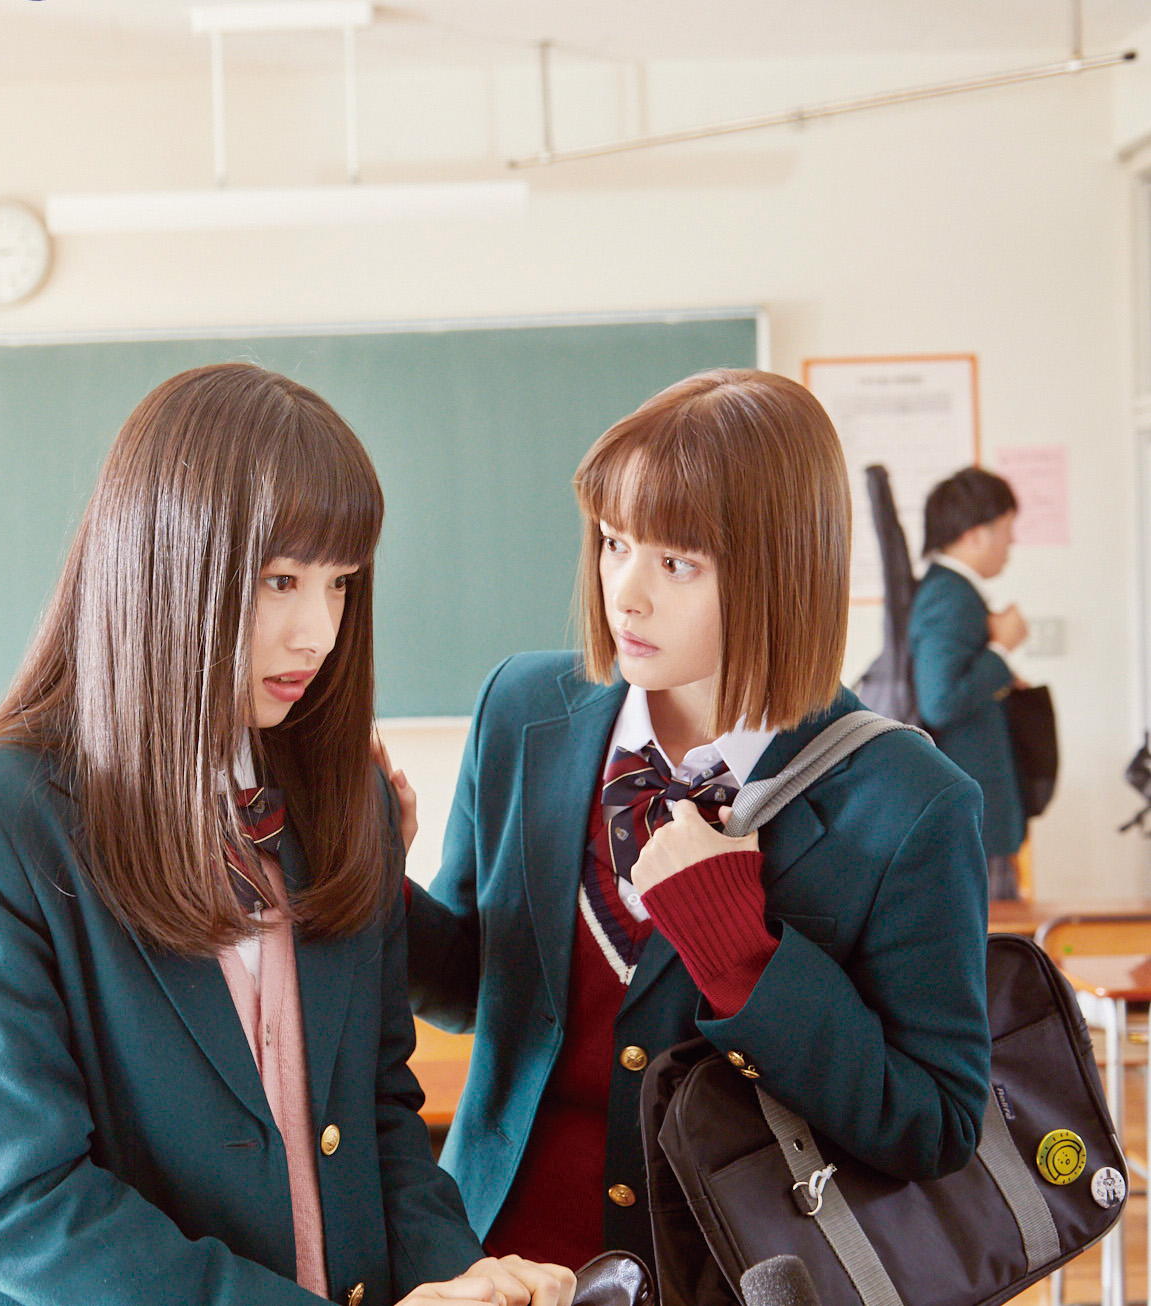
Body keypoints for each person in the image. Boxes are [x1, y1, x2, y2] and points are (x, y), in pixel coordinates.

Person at [0, 363, 575, 1306]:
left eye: (340, 584)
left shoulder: (345, 799)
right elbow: (24, 1210)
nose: (316, 633)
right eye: (279, 580)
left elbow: (381, 1120)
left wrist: (463, 1284)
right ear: (163, 569)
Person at [404, 369, 992, 1272]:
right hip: (493, 1262)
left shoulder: (912, 800)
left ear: (779, 574)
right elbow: (464, 993)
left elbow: (933, 1126)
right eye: (613, 543)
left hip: (730, 1274)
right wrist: (368, 875)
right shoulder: (522, 708)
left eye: (675, 563)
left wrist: (744, 958)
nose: (624, 594)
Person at [912, 466, 1027, 899]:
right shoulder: (950, 594)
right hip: (972, 817)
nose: (1012, 542)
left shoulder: (949, 589)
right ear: (976, 534)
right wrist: (1001, 651)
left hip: (970, 814)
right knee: (994, 935)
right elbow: (940, 700)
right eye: (1007, 529)